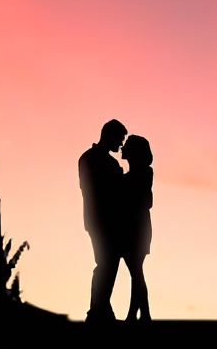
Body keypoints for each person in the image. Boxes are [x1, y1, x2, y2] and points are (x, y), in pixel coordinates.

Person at [79, 119, 128, 323]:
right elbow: (103, 190)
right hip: (102, 220)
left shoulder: (93, 159)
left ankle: (101, 309)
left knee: (108, 264)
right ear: (110, 136)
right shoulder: (95, 160)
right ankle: (97, 311)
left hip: (103, 220)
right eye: (120, 139)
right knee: (106, 264)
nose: (121, 144)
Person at [120, 134, 153, 322]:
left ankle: (142, 314)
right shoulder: (133, 175)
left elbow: (147, 201)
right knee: (136, 272)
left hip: (137, 229)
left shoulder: (144, 173)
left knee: (136, 271)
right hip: (133, 227)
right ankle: (136, 314)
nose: (122, 148)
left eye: (127, 146)